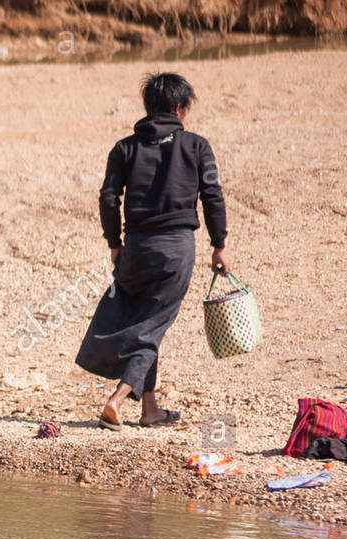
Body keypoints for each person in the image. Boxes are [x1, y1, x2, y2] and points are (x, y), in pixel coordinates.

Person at [75, 72, 231, 430]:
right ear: (179, 109)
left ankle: (149, 409)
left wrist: (114, 243)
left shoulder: (124, 148)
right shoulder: (196, 146)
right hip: (177, 249)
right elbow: (212, 196)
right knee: (152, 326)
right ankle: (116, 401)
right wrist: (219, 245)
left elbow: (108, 198)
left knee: (142, 320)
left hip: (137, 248)